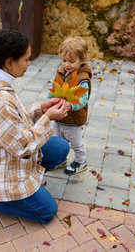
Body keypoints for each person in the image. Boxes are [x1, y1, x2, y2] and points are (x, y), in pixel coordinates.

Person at [0, 30, 69, 224]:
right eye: (26, 60)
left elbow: (12, 121)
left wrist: (40, 109)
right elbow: (20, 147)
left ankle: (29, 177)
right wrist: (47, 117)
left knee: (61, 148)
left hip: (9, 151)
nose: (29, 64)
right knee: (47, 211)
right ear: (9, 62)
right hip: (1, 169)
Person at [47, 36, 92, 175]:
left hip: (73, 119)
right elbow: (54, 90)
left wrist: (70, 106)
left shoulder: (83, 78)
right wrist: (48, 103)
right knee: (57, 141)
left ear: (82, 60)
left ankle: (80, 161)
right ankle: (60, 159)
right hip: (58, 117)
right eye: (64, 60)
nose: (67, 64)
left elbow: (82, 99)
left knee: (76, 143)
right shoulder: (61, 72)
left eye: (72, 61)